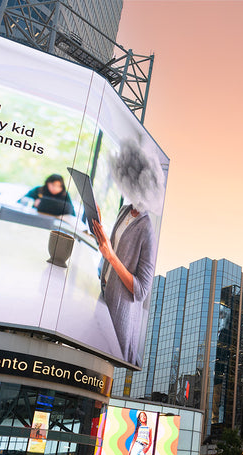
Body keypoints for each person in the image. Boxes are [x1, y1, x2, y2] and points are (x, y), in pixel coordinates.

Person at [91, 139, 163, 366]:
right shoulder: (124, 210)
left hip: (118, 319)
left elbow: (141, 291)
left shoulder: (147, 230)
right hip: (103, 296)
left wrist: (111, 256)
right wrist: (98, 226)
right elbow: (110, 249)